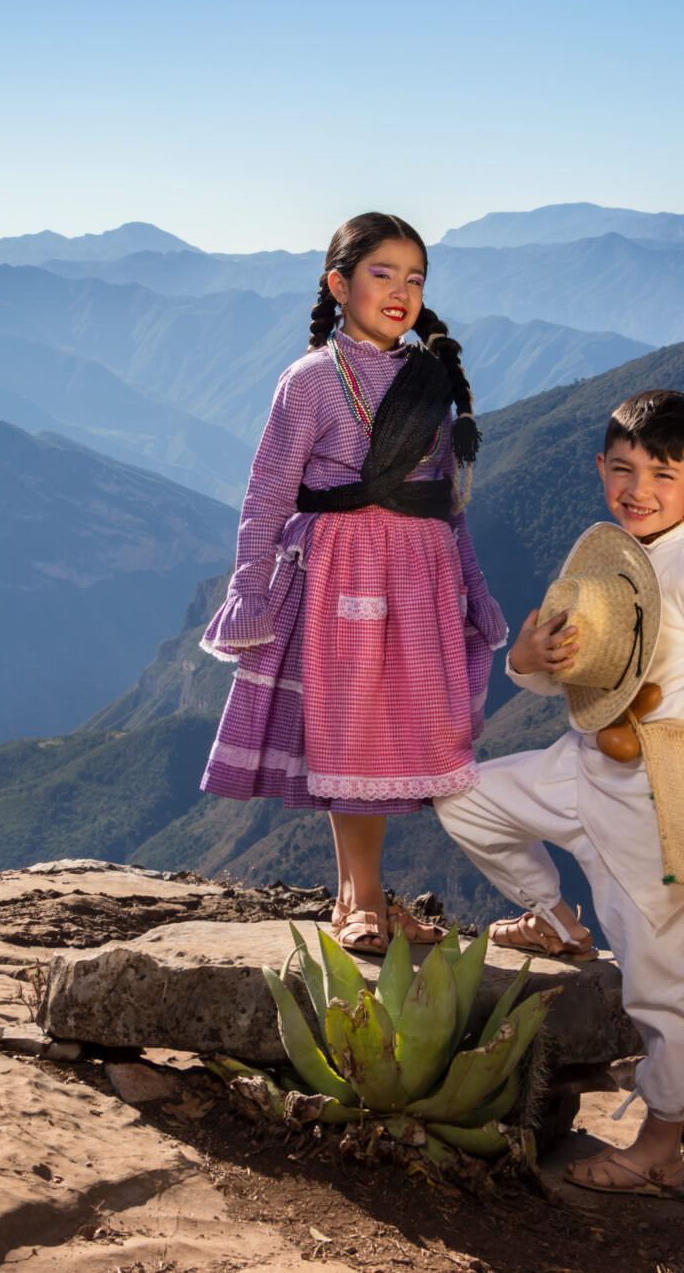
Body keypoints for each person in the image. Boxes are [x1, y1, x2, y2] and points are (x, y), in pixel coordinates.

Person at [434, 389, 684, 1198]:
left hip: (656, 807)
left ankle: (661, 1145)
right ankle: (555, 916)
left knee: (662, 981)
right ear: (599, 469)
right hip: (579, 767)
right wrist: (529, 658)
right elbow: (570, 689)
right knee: (460, 794)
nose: (638, 488)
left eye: (662, 474)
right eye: (622, 469)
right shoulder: (610, 561)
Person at [200, 212, 507, 954]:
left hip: (422, 578)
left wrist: (475, 587)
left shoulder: (427, 382)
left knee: (395, 738)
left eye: (415, 277)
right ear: (339, 284)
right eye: (382, 273)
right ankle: (362, 900)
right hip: (344, 574)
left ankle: (354, 899)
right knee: (356, 734)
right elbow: (269, 489)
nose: (401, 291)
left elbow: (446, 500)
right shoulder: (309, 381)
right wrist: (250, 584)